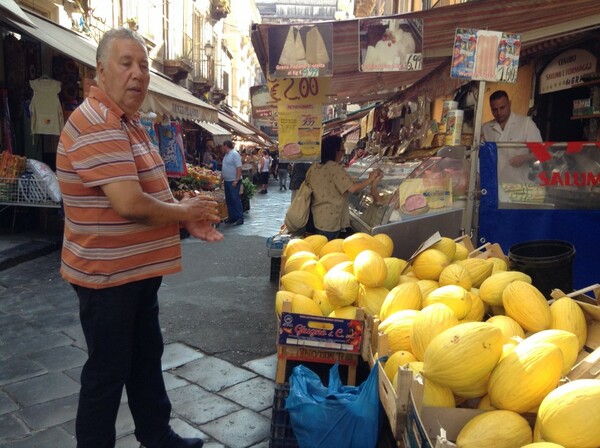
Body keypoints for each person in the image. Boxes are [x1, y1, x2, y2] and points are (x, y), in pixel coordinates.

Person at [55, 28, 222, 448]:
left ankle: (156, 434)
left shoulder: (127, 123)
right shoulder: (97, 121)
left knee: (146, 359)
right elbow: (129, 202)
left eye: (144, 65)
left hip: (134, 274)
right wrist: (184, 213)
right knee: (107, 373)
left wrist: (185, 214)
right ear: (101, 70)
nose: (138, 74)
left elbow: (146, 190)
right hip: (108, 277)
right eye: (126, 63)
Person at [304, 135, 383, 240]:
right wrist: (370, 179)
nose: (343, 153)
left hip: (317, 217)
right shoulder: (333, 167)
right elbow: (352, 189)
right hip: (330, 220)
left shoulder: (314, 167)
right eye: (342, 150)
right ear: (334, 151)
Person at [482, 90, 543, 183]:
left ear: (509, 104)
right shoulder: (486, 128)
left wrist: (524, 158)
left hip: (520, 185)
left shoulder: (526, 124)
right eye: (494, 109)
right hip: (495, 185)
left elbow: (541, 153)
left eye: (502, 108)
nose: (499, 112)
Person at [220, 139, 244, 225]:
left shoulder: (234, 154)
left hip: (233, 181)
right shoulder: (226, 155)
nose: (222, 148)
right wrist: (221, 180)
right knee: (229, 199)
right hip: (227, 181)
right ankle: (232, 216)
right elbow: (224, 168)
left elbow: (239, 168)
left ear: (226, 146)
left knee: (235, 199)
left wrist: (236, 180)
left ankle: (239, 217)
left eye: (223, 146)